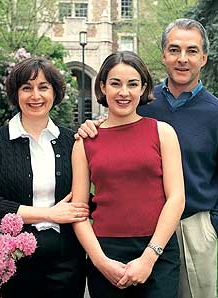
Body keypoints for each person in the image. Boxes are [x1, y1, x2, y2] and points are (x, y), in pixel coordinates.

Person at [76, 19, 218, 298]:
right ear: (163, 55)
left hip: (193, 225)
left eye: (192, 51)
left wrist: (211, 226)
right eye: (174, 50)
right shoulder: (141, 100)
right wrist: (94, 125)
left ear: (204, 58)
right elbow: (118, 126)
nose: (182, 59)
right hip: (134, 226)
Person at [71, 51, 185, 298]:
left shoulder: (163, 133)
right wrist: (101, 262)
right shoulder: (85, 141)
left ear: (143, 88)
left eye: (132, 84)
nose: (124, 92)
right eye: (115, 83)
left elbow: (176, 198)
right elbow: (78, 211)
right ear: (102, 86)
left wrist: (149, 257)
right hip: (105, 251)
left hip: (157, 250)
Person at [0, 57, 89, 298]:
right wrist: (49, 214)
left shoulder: (73, 142)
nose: (35, 95)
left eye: (43, 87)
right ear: (16, 94)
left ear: (55, 93)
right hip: (14, 260)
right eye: (27, 88)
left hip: (66, 259)